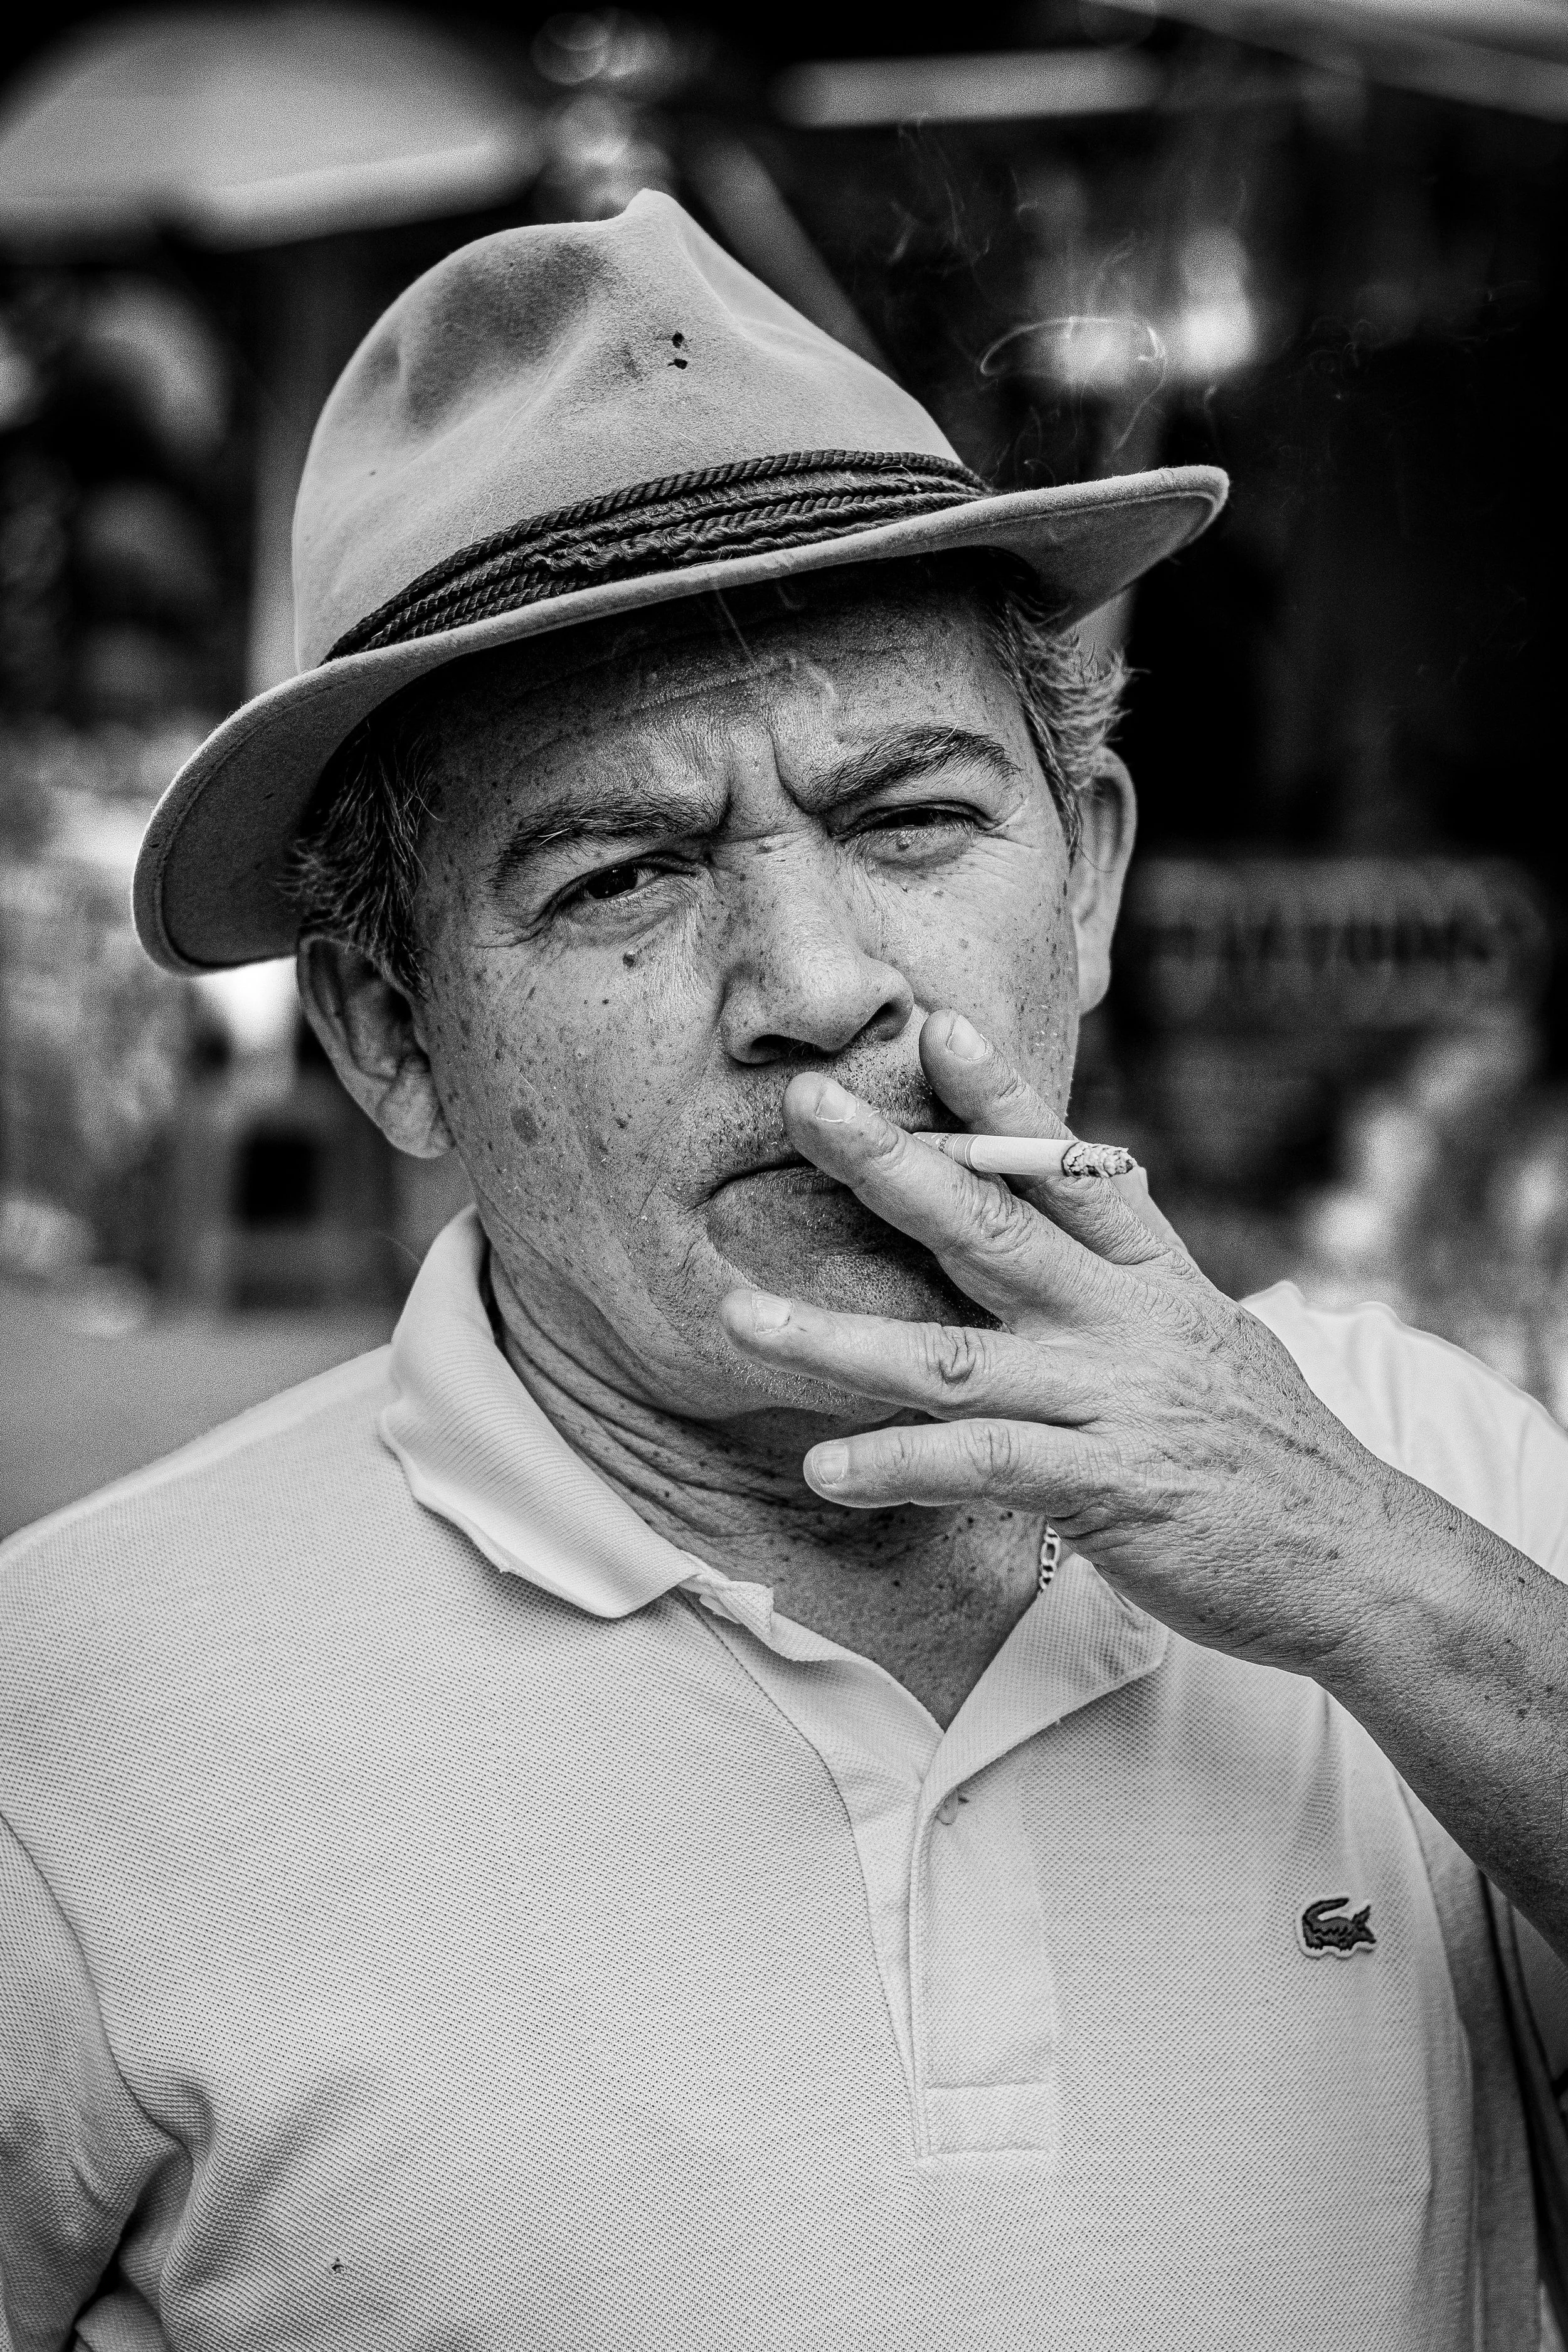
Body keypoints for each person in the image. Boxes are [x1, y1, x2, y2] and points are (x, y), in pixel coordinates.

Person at [3, 191, 1566, 2352]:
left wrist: (1352, 1565)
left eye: (909, 818)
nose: (817, 986)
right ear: (388, 1034)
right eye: (622, 874)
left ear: (1088, 880)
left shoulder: (1434, 1488)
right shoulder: (73, 1709)